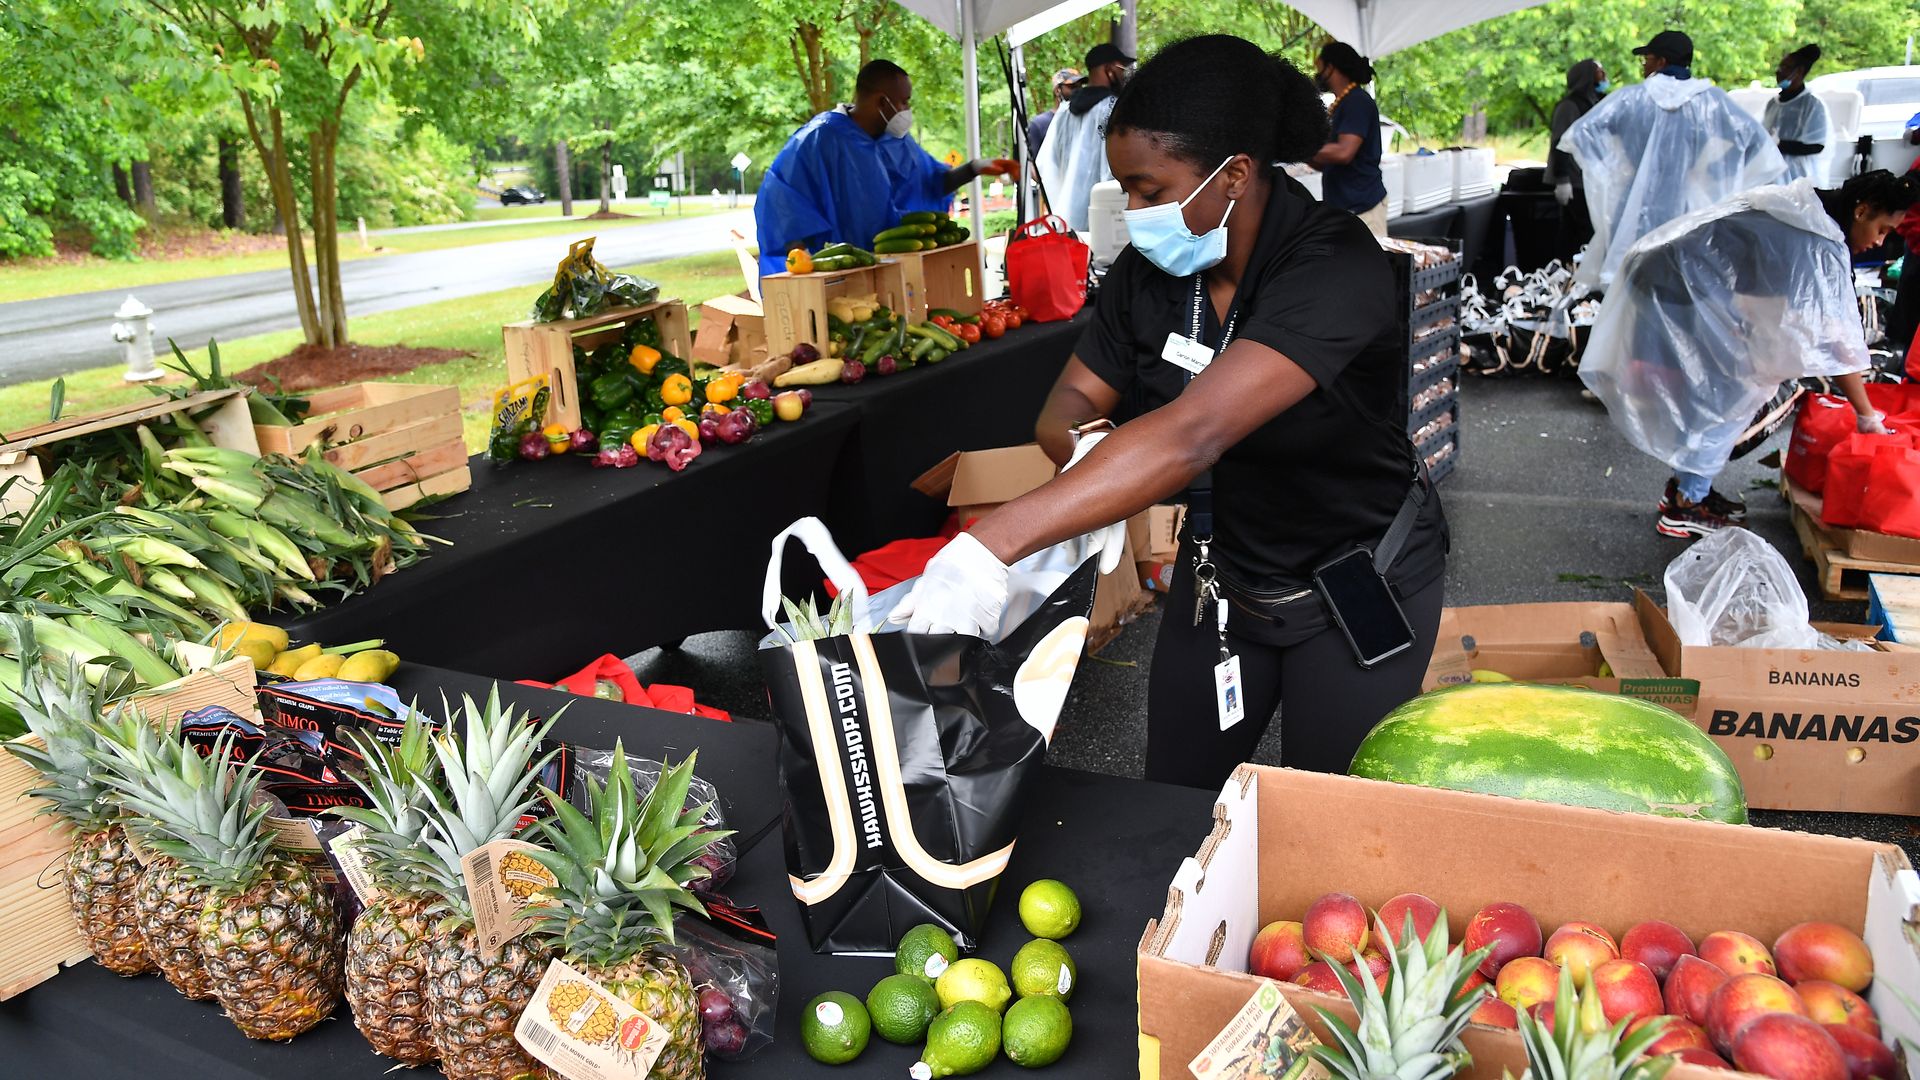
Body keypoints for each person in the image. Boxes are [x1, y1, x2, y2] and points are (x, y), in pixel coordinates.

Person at [890, 35, 1448, 790]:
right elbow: (1072, 399)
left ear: (1235, 175)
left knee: (1328, 816)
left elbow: (1195, 433)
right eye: (1125, 190)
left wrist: (992, 544)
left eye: (1151, 191)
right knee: (1175, 802)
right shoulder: (1146, 274)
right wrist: (1090, 452)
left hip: (1355, 578)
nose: (1136, 211)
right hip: (1223, 575)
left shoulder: (1335, 263)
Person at [1579, 171, 1919, 538]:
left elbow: (1785, 306)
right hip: (1671, 281)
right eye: (1882, 229)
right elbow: (1837, 345)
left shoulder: (1812, 211)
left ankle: (1691, 490)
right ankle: (1685, 506)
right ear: (1862, 210)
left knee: (1733, 384)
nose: (1880, 242)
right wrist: (1866, 415)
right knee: (1729, 392)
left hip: (1674, 273)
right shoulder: (1818, 238)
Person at [1561, 30, 1783, 289]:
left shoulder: (1630, 99)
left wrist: (1616, 168)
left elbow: (1581, 133)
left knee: (1636, 283)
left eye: (1648, 58)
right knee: (1686, 284)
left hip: (1636, 205)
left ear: (1662, 62)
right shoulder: (1711, 101)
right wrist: (1713, 173)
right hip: (1690, 206)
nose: (1644, 64)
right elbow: (1759, 145)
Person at [754, 59, 1016, 276]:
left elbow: (932, 183)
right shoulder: (820, 138)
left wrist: (976, 167)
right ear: (881, 102)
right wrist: (805, 265)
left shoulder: (898, 142)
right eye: (904, 102)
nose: (907, 110)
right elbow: (779, 200)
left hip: (892, 270)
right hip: (838, 274)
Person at [1035, 43, 1133, 231]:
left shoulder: (1064, 111)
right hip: (1104, 222)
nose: (1124, 74)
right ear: (1109, 69)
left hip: (1066, 221)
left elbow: (1046, 165)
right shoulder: (1111, 108)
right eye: (1121, 68)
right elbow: (1116, 168)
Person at [1310, 42, 1388, 236]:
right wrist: (1298, 152)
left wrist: (1304, 146)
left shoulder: (1357, 102)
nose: (1317, 76)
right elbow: (1325, 163)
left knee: (1367, 266)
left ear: (1331, 68)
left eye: (1319, 69)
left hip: (1363, 208)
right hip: (1344, 208)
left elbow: (1344, 152)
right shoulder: (1341, 103)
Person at [1546, 59, 1607, 261]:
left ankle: (1566, 271)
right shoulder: (1570, 106)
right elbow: (1560, 142)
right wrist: (1562, 180)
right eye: (1599, 72)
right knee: (1581, 232)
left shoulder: (1595, 102)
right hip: (1575, 180)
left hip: (1590, 178)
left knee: (1573, 233)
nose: (1604, 75)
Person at [1765, 44, 1830, 184]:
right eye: (1780, 66)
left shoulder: (1812, 105)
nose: (1778, 71)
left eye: (1785, 68)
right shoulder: (1773, 103)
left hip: (1799, 177)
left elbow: (1816, 145)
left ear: (1799, 71)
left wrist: (1779, 144)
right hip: (1773, 176)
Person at [1027, 68, 1080, 155]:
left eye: (1079, 86)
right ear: (1057, 90)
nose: (1078, 91)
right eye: (1072, 87)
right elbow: (1032, 163)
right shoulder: (1039, 124)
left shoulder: (1082, 120)